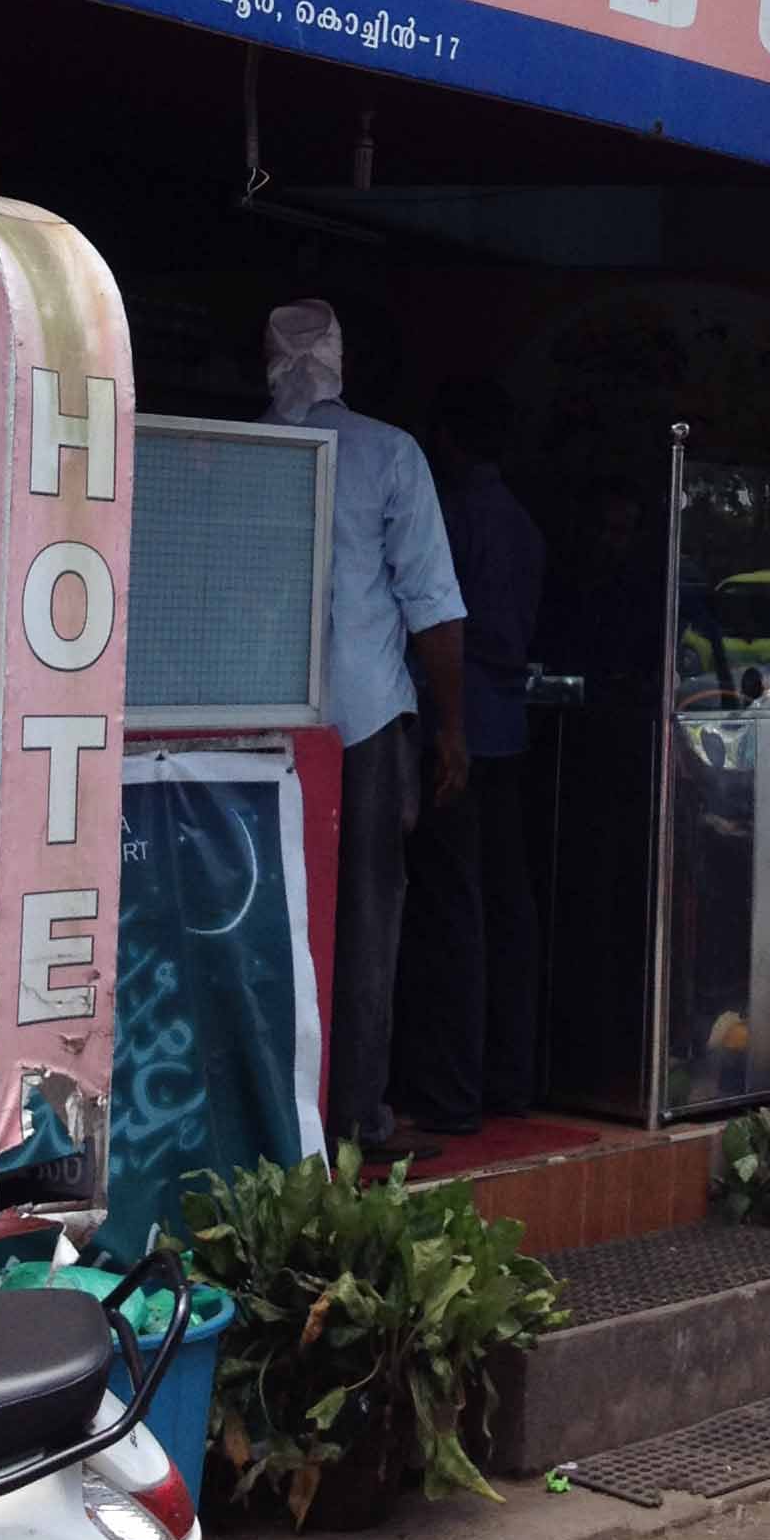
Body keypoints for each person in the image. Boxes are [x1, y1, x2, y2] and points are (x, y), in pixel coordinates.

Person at [262, 299, 466, 1153]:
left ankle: (271, 1112)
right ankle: (356, 1119)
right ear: (344, 360)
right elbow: (430, 603)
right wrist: (454, 723)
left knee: (265, 917)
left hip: (258, 715)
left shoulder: (238, 450)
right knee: (366, 919)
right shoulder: (389, 452)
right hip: (365, 722)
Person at [392, 380, 548, 1135]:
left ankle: (447, 1093)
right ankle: (509, 1079)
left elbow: (437, 620)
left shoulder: (453, 515)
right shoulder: (522, 520)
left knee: (450, 911)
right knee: (503, 909)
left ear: (448, 440)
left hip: (458, 729)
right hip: (509, 725)